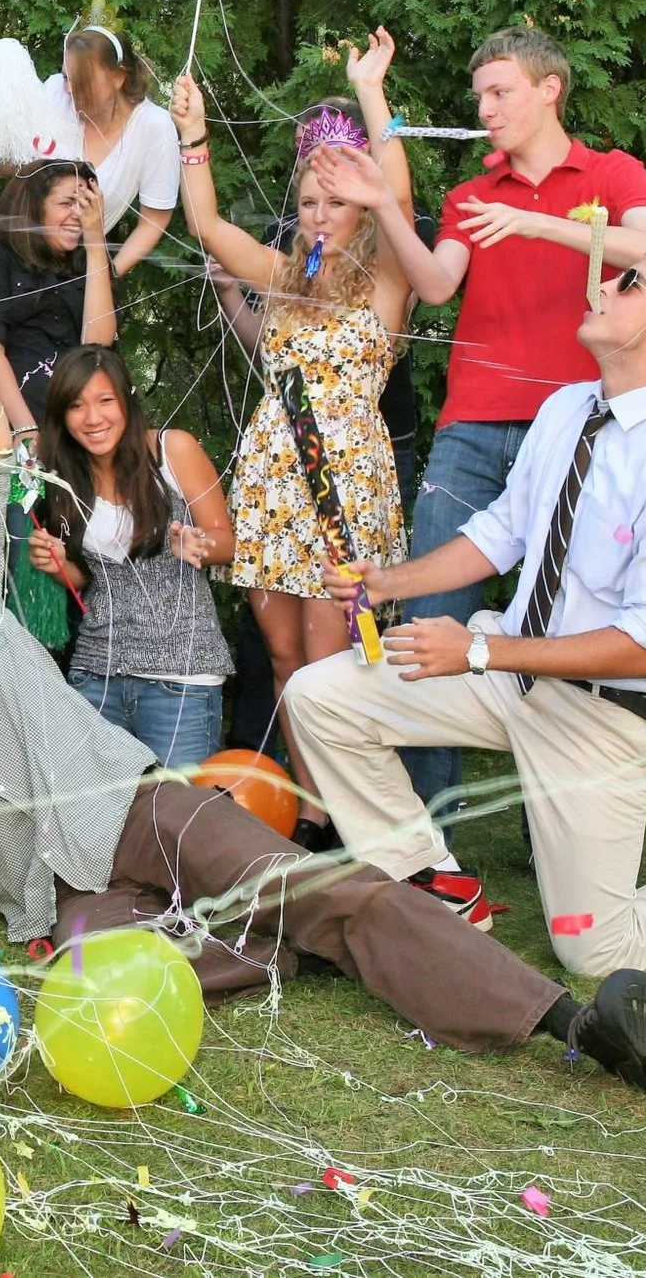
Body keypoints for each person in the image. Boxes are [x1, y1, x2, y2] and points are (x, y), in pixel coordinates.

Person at [0, 228, 646, 1097]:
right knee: (83, 984)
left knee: (332, 892)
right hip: (56, 898)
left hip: (134, 808)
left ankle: (572, 1021)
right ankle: (280, 939)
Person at [286, 223, 646, 981]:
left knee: (594, 949)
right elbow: (503, 533)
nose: (601, 285)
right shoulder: (567, 409)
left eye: (628, 283)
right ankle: (435, 886)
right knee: (319, 696)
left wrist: (476, 649)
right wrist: (388, 581)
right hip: (505, 671)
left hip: (598, 713)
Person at [317, 27, 646, 805]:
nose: (486, 107)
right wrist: (383, 193)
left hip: (580, 431)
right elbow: (437, 284)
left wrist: (543, 225)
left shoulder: (613, 172)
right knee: (430, 615)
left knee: (572, 617)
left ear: (551, 90)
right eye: (479, 94)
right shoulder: (471, 195)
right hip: (473, 426)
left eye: (501, 91)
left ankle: (558, 818)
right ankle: (428, 842)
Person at [169, 71, 410, 819]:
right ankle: (310, 816)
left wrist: (372, 98)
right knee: (281, 661)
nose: (319, 213)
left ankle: (355, 816)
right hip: (274, 487)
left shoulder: (387, 280)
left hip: (345, 491)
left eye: (336, 200)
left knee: (328, 671)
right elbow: (207, 225)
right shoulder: (280, 277)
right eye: (309, 200)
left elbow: (399, 200)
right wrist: (193, 134)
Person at [28, 345, 235, 767]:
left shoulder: (171, 450)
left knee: (175, 821)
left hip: (180, 677)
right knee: (99, 822)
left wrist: (197, 544)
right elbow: (89, 580)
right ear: (61, 417)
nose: (93, 418)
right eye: (77, 406)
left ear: (126, 399)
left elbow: (227, 542)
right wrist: (58, 565)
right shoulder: (63, 475)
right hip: (94, 676)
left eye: (105, 400)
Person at [0, 0, 183, 263]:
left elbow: (154, 219)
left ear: (119, 77)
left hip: (80, 269)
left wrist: (106, 276)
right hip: (12, 255)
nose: (69, 89)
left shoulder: (154, 127)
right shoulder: (55, 90)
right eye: (67, 76)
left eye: (82, 81)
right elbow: (7, 170)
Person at [0, 158, 116, 435]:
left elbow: (97, 346)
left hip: (86, 422)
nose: (78, 214)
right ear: (34, 208)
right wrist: (25, 429)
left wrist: (96, 247)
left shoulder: (92, 263)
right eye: (67, 203)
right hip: (20, 417)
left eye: (86, 204)